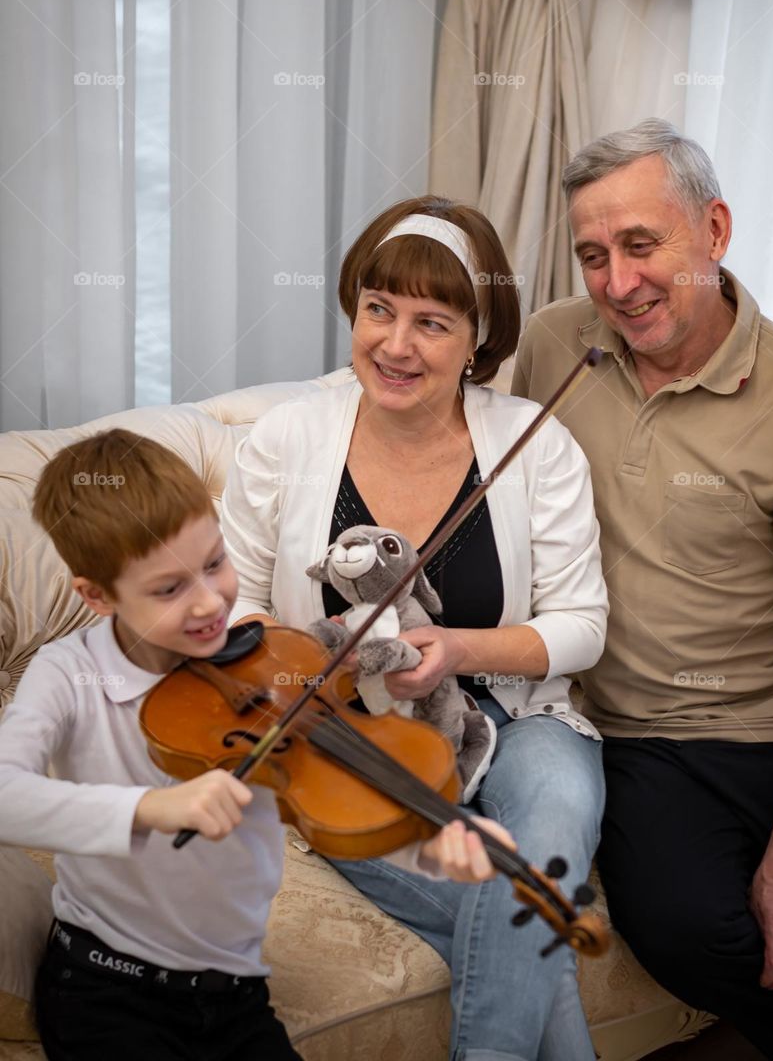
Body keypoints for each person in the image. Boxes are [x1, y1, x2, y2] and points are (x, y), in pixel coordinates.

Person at [221, 196, 609, 1061]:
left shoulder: (536, 443)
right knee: (527, 902)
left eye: (432, 323)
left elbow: (583, 626)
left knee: (555, 817)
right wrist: (318, 667)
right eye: (379, 310)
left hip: (518, 711)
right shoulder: (288, 438)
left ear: (477, 338)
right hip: (352, 728)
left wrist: (459, 649)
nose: (396, 345)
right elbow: (232, 602)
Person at [512, 118, 773, 1061]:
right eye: (593, 256)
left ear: (715, 229)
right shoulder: (552, 345)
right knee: (688, 931)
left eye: (641, 244)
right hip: (640, 737)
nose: (618, 283)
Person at [0, 429, 509, 1061]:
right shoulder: (69, 673)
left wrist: (436, 842)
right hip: (107, 989)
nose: (209, 602)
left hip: (236, 993)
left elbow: (327, 799)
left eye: (214, 563)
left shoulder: (268, 665)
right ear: (97, 595)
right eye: (168, 589)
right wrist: (148, 808)